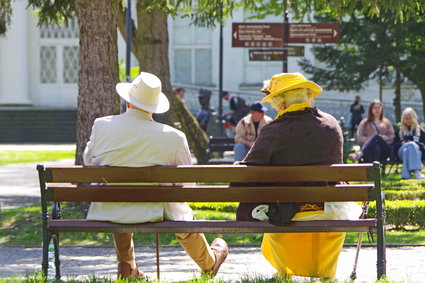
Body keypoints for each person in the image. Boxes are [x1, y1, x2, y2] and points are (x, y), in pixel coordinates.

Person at [83, 72, 228, 279]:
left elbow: (90, 162)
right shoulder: (174, 136)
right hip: (158, 209)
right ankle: (208, 264)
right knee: (179, 208)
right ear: (154, 107)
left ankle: (126, 264)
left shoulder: (102, 125)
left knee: (121, 198)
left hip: (111, 206)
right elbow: (188, 184)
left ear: (128, 102)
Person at [236, 72, 361, 279]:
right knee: (324, 209)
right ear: (307, 96)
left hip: (286, 212)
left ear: (282, 103)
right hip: (331, 209)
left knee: (273, 206)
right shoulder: (331, 125)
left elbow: (249, 171)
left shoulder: (273, 130)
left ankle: (284, 270)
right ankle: (326, 274)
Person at [394, 107, 425, 179]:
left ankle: (406, 175)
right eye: (406, 118)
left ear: (413, 118)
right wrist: (402, 143)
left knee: (407, 151)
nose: (408, 120)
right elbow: (394, 145)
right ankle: (417, 171)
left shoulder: (419, 130)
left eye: (410, 118)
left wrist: (416, 144)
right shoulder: (399, 130)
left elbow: (423, 145)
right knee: (410, 145)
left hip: (417, 153)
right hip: (400, 152)